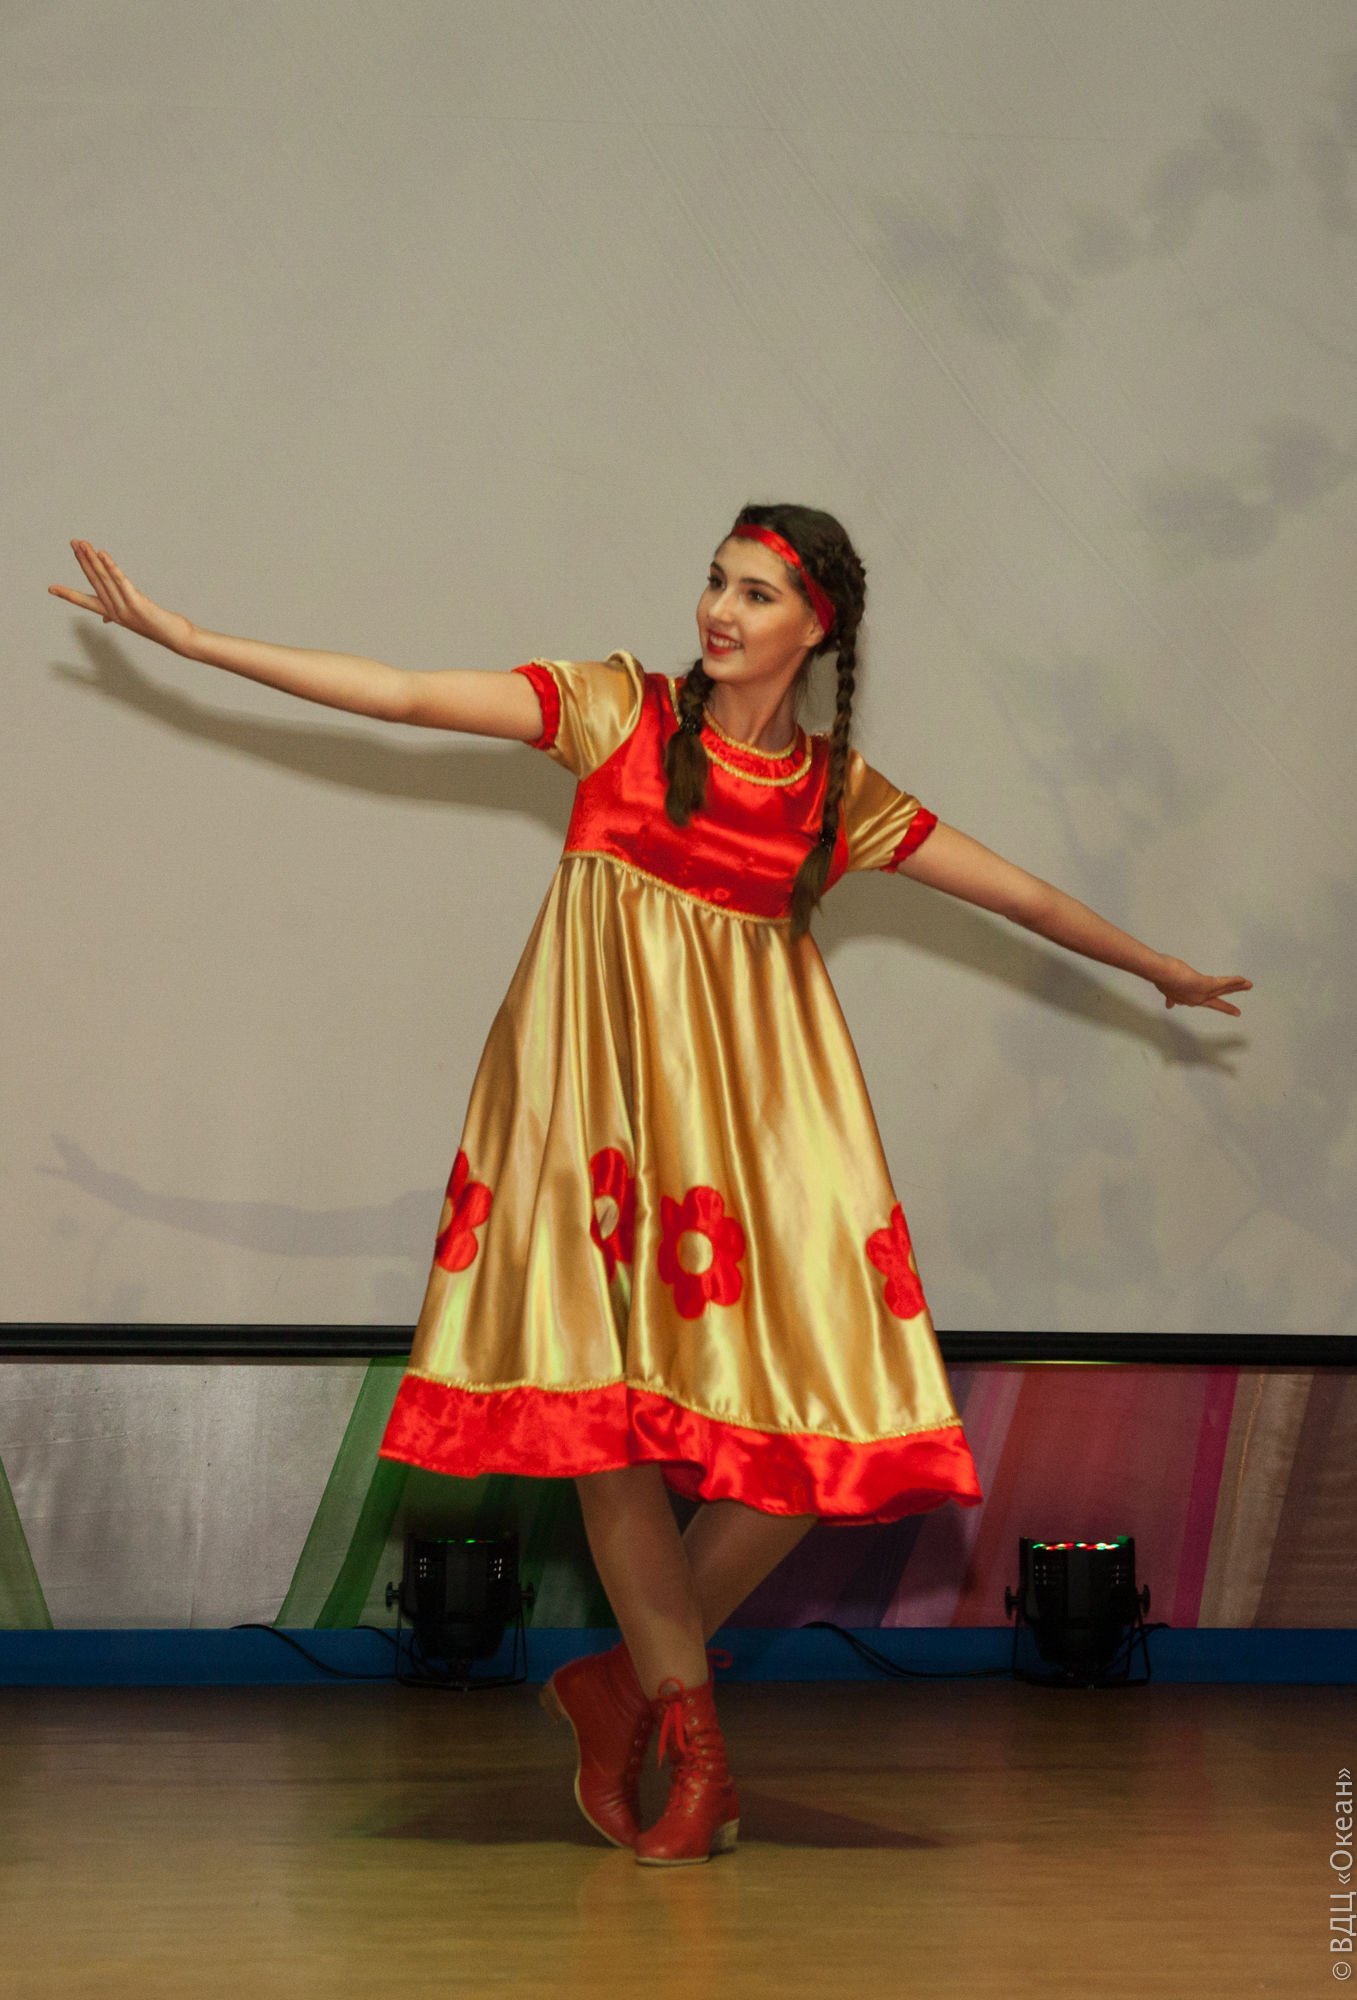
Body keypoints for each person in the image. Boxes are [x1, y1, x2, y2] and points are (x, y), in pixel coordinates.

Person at [50, 509, 1251, 1867]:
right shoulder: (615, 712)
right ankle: (698, 1749)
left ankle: (619, 1685)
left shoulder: (832, 795)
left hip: (749, 1143)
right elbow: (400, 694)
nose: (720, 609)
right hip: (592, 1117)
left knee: (825, 1432)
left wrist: (1157, 969)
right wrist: (191, 639)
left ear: (818, 628)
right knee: (602, 1430)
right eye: (716, 581)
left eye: (757, 593)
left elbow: (1021, 898)